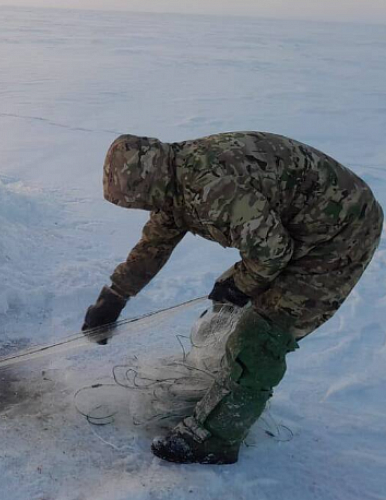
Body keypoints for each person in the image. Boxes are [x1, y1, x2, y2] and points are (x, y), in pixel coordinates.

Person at [84, 131, 383, 464]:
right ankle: (226, 379)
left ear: (149, 182)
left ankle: (215, 437)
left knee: (266, 331)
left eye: (139, 200)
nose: (144, 207)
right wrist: (115, 296)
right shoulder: (174, 177)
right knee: (230, 306)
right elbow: (155, 243)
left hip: (341, 233)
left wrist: (242, 284)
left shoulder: (212, 188)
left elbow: (272, 253)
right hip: (301, 226)